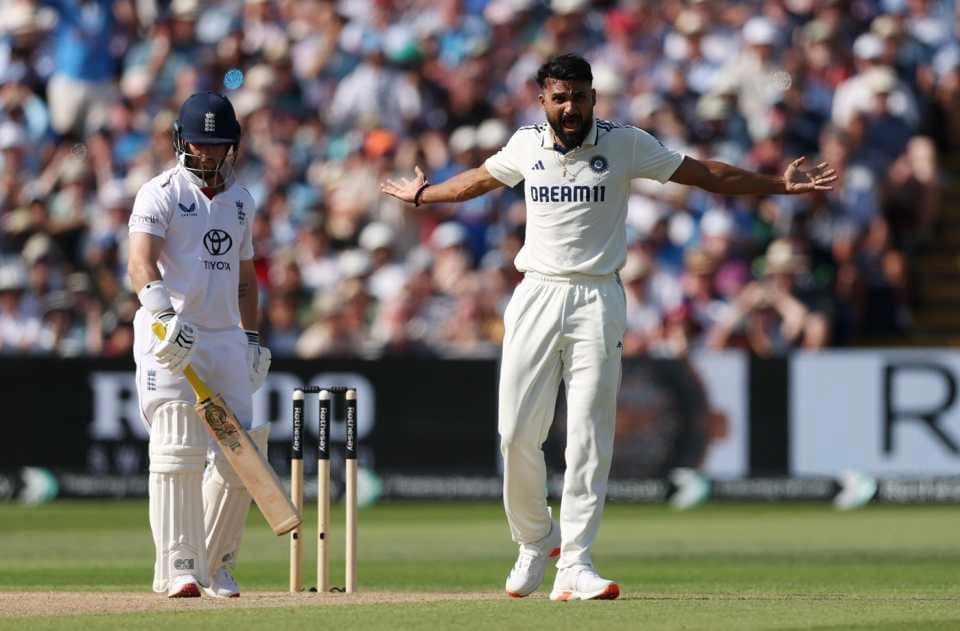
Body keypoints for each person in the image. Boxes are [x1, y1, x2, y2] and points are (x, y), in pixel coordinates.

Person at [381, 54, 837, 601]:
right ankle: (535, 539)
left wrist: (779, 187)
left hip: (598, 294)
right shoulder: (527, 144)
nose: (570, 107)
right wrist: (425, 195)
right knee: (516, 434)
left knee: (589, 433)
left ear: (594, 97)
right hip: (537, 292)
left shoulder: (625, 142)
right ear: (542, 100)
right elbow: (478, 180)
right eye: (559, 97)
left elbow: (704, 174)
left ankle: (576, 562)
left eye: (579, 95)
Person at [126, 92, 271, 598]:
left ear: (232, 146)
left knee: (240, 453)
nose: (208, 154)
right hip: (170, 336)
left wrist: (250, 338)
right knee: (175, 447)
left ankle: (217, 564)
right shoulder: (158, 192)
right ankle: (178, 567)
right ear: (181, 141)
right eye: (200, 144)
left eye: (217, 144)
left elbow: (246, 278)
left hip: (225, 338)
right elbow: (139, 262)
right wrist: (163, 316)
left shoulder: (242, 201)